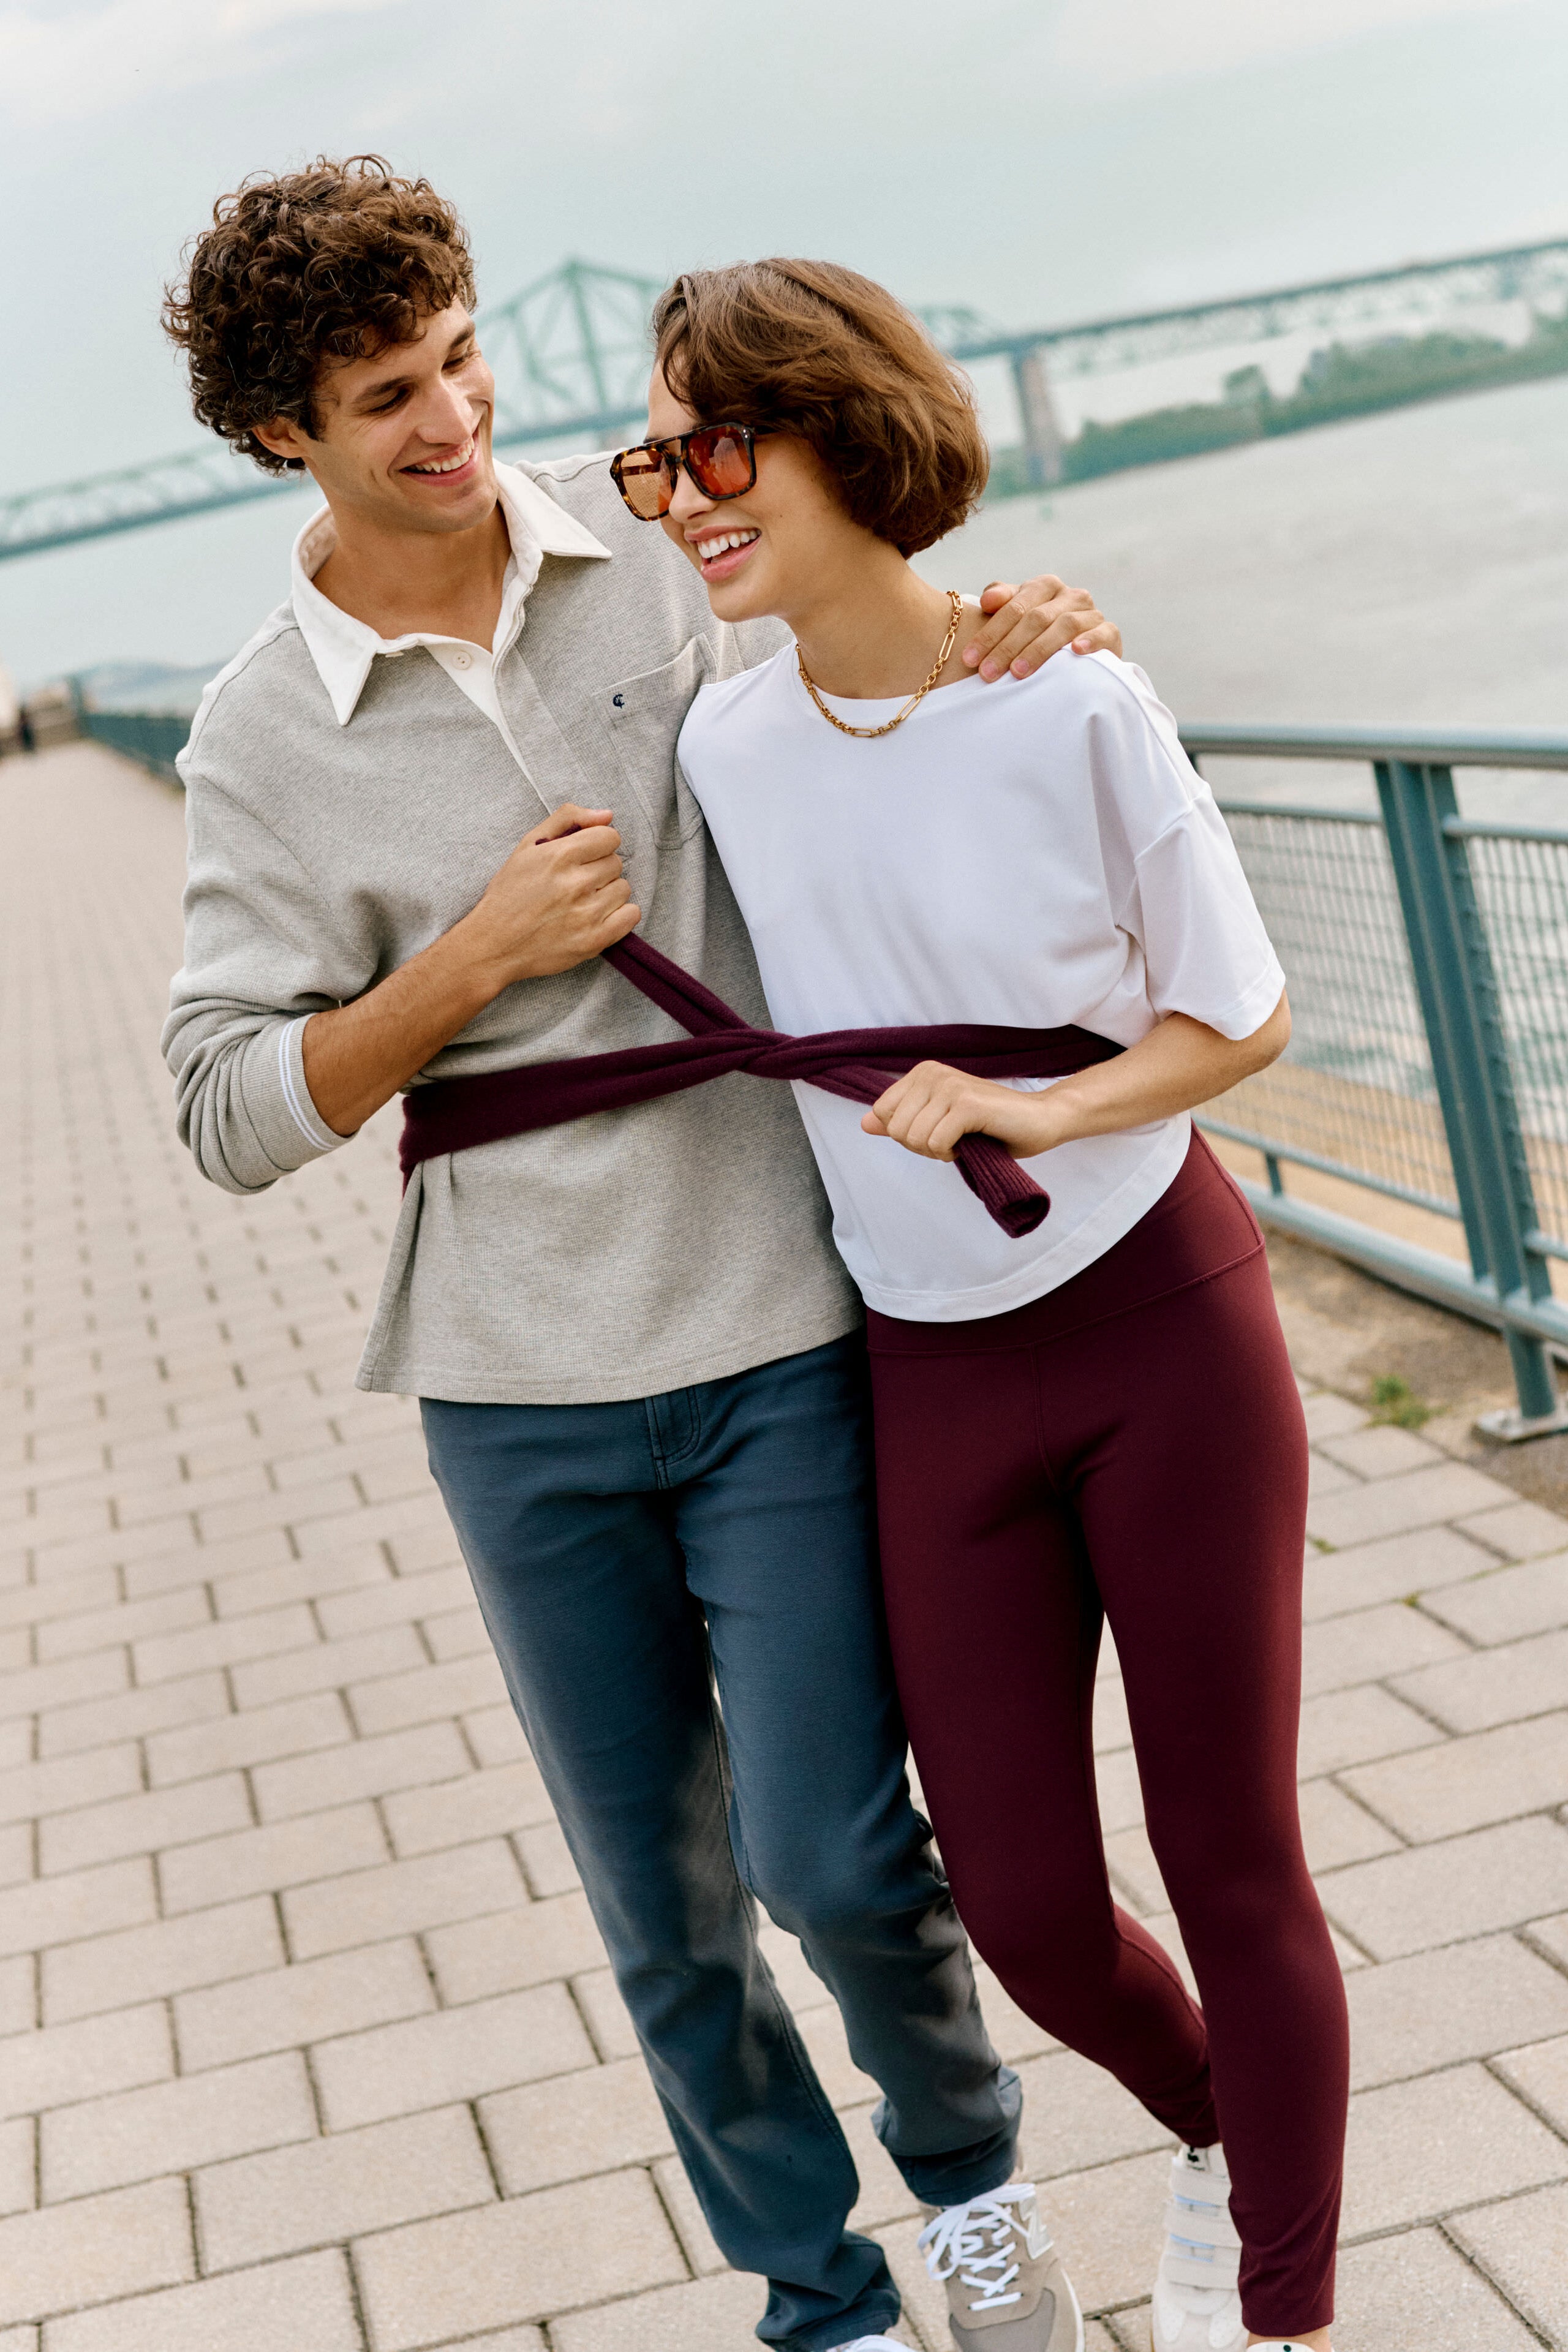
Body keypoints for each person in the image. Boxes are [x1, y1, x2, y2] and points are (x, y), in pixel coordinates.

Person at [160, 158, 1126, 2352]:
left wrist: (1027, 639)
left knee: (833, 1854)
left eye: (467, 357)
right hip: (512, 1386)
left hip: (781, 1311)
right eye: (389, 392)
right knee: (670, 1916)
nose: (452, 418)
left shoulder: (666, 583)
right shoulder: (253, 735)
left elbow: (876, 674)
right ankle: (825, 2301)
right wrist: (463, 967)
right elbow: (221, 1112)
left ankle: (975, 2195)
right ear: (279, 436)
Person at [625, 259, 1348, 2352]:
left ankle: (1279, 2304)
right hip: (928, 1373)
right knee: (1022, 1908)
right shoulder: (728, 742)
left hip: (1159, 1325)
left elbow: (1248, 1015)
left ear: (840, 427)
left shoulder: (1076, 698)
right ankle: (1228, 2131)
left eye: (715, 442)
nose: (680, 495)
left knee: (1234, 1857)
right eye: (655, 454)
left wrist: (1041, 1097)